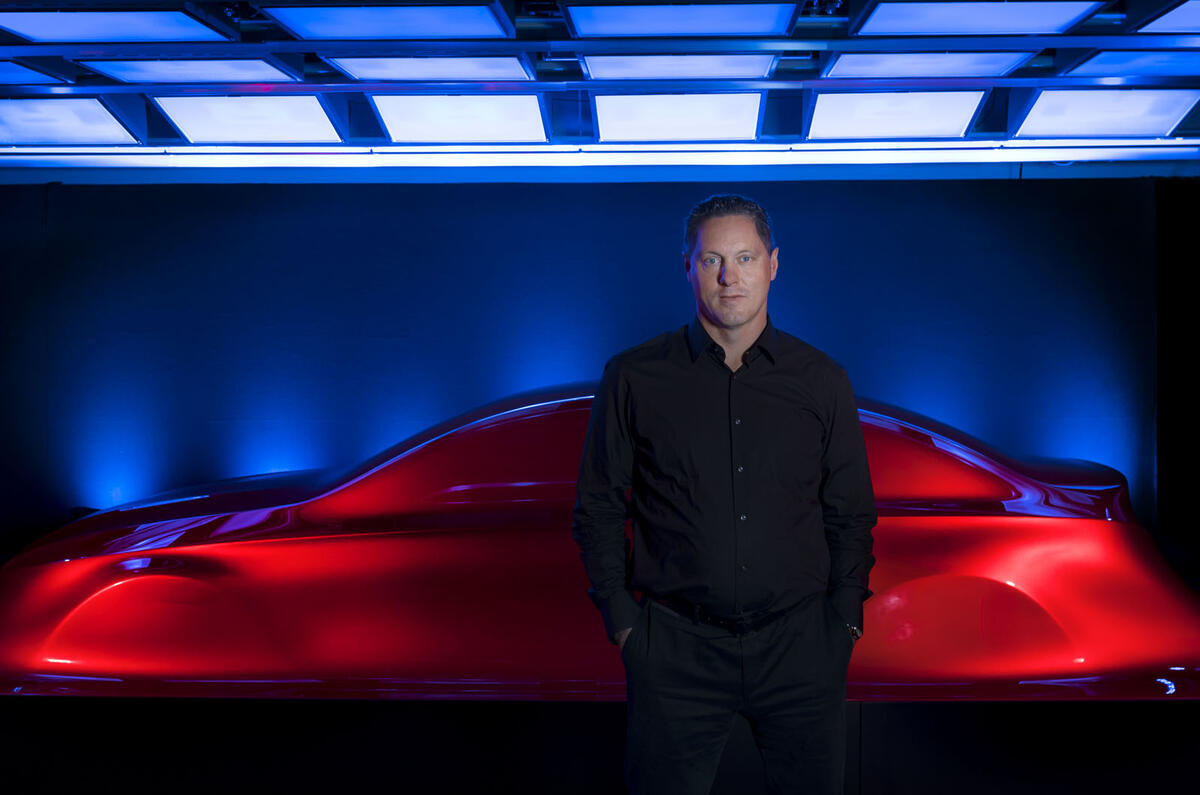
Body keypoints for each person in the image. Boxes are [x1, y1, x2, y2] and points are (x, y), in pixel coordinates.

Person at [571, 194, 877, 795]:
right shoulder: (633, 377)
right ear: (687, 266)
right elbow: (599, 507)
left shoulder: (822, 381)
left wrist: (843, 621)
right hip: (675, 654)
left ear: (773, 264)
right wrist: (624, 624)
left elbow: (851, 512)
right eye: (712, 260)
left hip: (801, 650)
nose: (729, 277)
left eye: (744, 257)